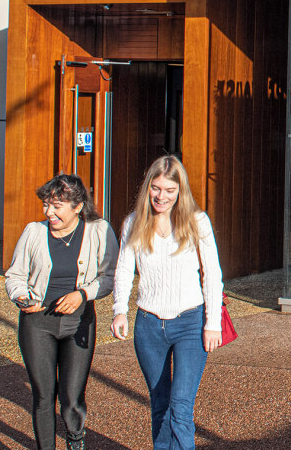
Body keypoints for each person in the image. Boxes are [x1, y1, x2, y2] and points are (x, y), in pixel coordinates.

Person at [110, 156, 224, 450]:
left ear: (180, 191)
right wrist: (120, 310)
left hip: (190, 323)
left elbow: (212, 274)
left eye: (169, 190)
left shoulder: (197, 222)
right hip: (148, 325)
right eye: (156, 188)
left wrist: (212, 324)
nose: (162, 196)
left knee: (181, 407)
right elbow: (124, 269)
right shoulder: (134, 222)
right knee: (160, 404)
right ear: (148, 187)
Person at [4, 174, 119, 450]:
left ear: (78, 206)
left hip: (78, 323)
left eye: (57, 206)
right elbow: (14, 275)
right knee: (44, 396)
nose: (49, 212)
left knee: (72, 396)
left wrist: (82, 294)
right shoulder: (33, 232)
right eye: (46, 205)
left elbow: (111, 276)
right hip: (37, 323)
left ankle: (75, 439)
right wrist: (20, 295)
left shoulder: (99, 230)